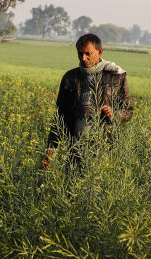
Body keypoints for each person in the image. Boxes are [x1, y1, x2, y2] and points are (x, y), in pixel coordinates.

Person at [41, 33, 134, 169]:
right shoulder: (70, 78)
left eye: (88, 53)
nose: (83, 58)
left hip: (106, 148)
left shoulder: (116, 76)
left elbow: (128, 110)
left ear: (100, 51)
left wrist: (114, 114)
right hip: (76, 148)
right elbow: (60, 117)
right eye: (80, 54)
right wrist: (50, 151)